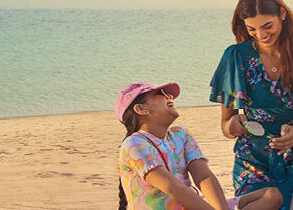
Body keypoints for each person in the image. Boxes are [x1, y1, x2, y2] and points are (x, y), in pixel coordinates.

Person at [209, 0, 293, 210]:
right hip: (252, 162)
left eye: (267, 26)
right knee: (269, 201)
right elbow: (225, 126)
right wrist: (233, 126)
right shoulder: (235, 57)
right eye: (252, 29)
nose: (261, 35)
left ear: (282, 14)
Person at [116, 82, 281, 210]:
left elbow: (203, 177)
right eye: (161, 93)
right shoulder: (134, 143)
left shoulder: (181, 134)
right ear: (141, 109)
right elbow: (173, 187)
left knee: (271, 196)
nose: (169, 96)